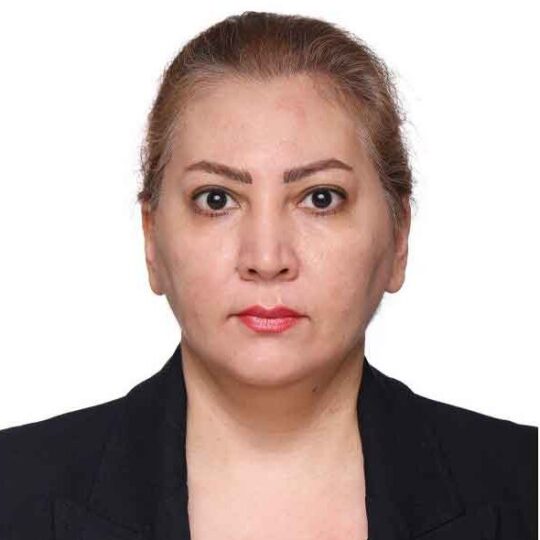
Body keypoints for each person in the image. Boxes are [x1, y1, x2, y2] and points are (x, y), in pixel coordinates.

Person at [0, 10, 537, 540]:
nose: (265, 256)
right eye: (216, 199)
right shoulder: (13, 489)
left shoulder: (524, 485)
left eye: (320, 198)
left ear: (399, 237)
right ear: (151, 237)